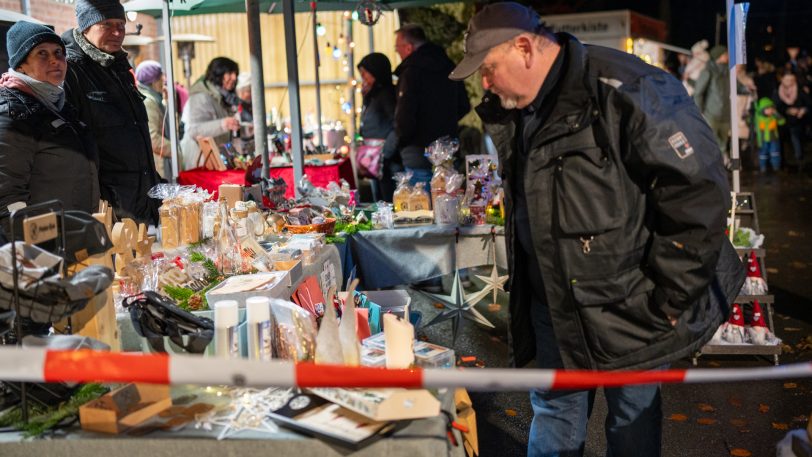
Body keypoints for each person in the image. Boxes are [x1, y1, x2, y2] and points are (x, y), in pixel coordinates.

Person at [448, 3, 745, 456]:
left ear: (524, 48)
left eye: (488, 69)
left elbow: (698, 192)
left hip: (634, 307)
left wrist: (670, 300)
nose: (484, 83)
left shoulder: (629, 88)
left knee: (632, 428)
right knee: (554, 416)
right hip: (555, 307)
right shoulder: (520, 108)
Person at [62, 0, 160, 225]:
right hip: (108, 210)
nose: (117, 32)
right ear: (86, 27)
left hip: (141, 202)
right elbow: (74, 151)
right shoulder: (71, 72)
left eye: (121, 25)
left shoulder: (120, 68)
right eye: (106, 25)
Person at [0, 21, 99, 215]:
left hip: (73, 234)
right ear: (21, 65)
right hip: (43, 241)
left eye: (58, 53)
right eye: (42, 53)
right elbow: (7, 195)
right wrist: (32, 240)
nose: (55, 60)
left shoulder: (60, 107)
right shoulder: (12, 114)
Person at [393, 24, 470, 186]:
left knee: (418, 206)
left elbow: (404, 116)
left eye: (397, 48)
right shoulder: (448, 66)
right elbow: (464, 105)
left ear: (408, 47)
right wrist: (444, 122)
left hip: (417, 151)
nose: (397, 52)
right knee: (447, 203)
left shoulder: (411, 72)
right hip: (447, 149)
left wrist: (403, 139)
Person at [180, 57, 240, 170]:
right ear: (218, 74)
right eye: (230, 73)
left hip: (216, 162)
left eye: (235, 73)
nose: (234, 77)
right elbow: (194, 130)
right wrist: (224, 124)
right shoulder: (201, 97)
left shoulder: (223, 97)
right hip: (201, 163)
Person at [357, 52, 399, 201]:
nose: (363, 79)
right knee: (381, 200)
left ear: (376, 72)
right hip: (376, 159)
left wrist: (386, 152)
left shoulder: (387, 94)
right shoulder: (374, 94)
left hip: (387, 160)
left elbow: (397, 124)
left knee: (389, 199)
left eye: (365, 74)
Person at [693, 45, 731, 166]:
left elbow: (737, 86)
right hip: (711, 114)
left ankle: (721, 165)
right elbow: (698, 93)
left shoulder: (728, 71)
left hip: (725, 113)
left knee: (723, 143)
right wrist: (700, 112)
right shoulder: (708, 71)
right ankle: (708, 167)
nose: (728, 56)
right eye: (726, 53)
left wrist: (746, 89)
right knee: (710, 142)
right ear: (719, 56)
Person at [135, 60, 170, 178]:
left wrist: (166, 102)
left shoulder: (153, 98)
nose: (163, 81)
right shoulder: (149, 101)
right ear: (154, 81)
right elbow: (153, 139)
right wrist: (176, 152)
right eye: (161, 77)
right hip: (159, 162)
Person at [774, 71, 810, 170]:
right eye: (786, 80)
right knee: (781, 142)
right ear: (782, 79)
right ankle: (782, 162)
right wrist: (787, 110)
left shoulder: (800, 90)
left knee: (796, 139)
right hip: (782, 121)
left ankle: (799, 160)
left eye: (791, 80)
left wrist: (803, 110)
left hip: (797, 121)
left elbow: (808, 103)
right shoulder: (778, 91)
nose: (789, 82)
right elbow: (776, 106)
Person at [754, 97, 785, 172]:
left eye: (771, 108)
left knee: (775, 153)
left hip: (773, 139)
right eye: (767, 109)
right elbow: (751, 121)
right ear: (762, 110)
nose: (770, 110)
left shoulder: (774, 117)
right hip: (762, 140)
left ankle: (776, 167)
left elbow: (782, 122)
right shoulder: (758, 118)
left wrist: (776, 114)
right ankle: (763, 167)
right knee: (763, 154)